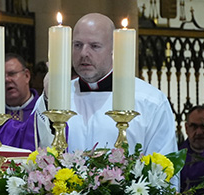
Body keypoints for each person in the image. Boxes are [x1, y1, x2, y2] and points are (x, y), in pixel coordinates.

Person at [34, 13, 177, 160]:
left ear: (113, 49)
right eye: (77, 45)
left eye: (94, 46)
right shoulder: (53, 98)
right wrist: (46, 98)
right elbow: (35, 151)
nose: (84, 53)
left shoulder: (149, 101)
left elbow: (165, 168)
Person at [3, 54, 38, 120]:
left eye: (12, 74)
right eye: (1, 76)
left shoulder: (43, 111)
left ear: (27, 76)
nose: (6, 79)